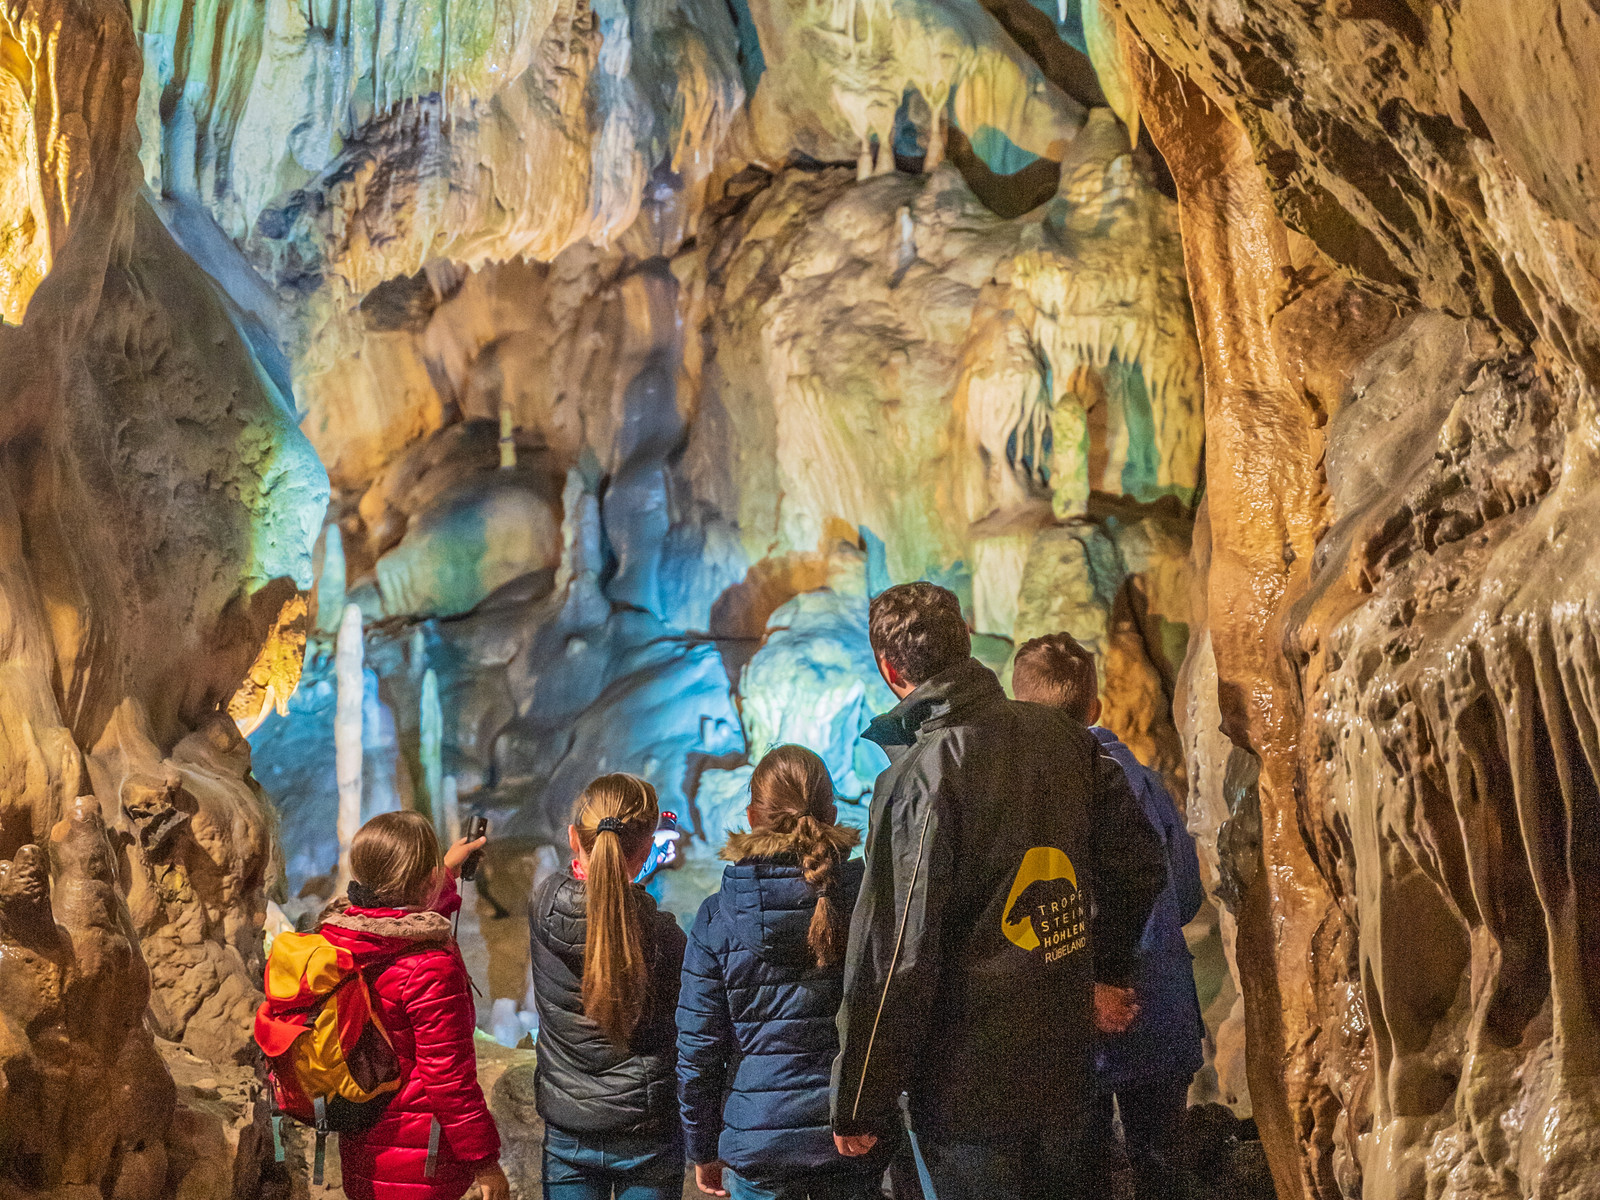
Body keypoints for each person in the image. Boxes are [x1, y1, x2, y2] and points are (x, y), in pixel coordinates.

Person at [830, 582, 1169, 1200]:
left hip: (968, 1093)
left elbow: (895, 954)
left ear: (889, 669)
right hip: (1067, 1067)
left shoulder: (920, 779)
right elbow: (1140, 860)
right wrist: (1107, 966)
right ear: (964, 643)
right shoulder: (1064, 738)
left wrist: (859, 1098)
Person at [1012, 632, 1206, 1200]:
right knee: (1163, 1170)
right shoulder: (1143, 780)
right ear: (1095, 708)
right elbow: (1186, 892)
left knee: (1082, 1175)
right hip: (1159, 1007)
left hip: (1079, 1023)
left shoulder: (1035, 792)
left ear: (1018, 710)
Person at [678, 745, 884, 1200]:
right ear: (832, 813)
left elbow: (699, 1051)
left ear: (752, 817)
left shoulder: (717, 917)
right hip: (852, 1137)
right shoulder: (869, 902)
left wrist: (702, 1148)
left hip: (758, 1143)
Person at [318, 810, 510, 1200]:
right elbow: (449, 1080)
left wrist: (445, 872)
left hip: (361, 1146)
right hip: (423, 1162)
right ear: (424, 883)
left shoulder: (337, 940)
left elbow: (397, 917)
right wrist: (485, 1163)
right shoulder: (429, 969)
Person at [529, 774, 687, 1199]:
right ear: (647, 850)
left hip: (569, 1130)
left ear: (572, 838)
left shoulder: (544, 906)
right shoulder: (664, 936)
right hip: (647, 1133)